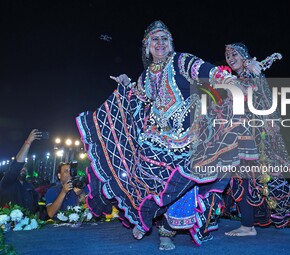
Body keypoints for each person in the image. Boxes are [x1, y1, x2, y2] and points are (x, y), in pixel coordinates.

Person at [76, 20, 244, 250]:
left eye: (165, 39)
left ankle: (167, 231)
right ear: (146, 46)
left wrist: (228, 80)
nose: (160, 43)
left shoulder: (181, 60)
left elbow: (205, 70)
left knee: (181, 184)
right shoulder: (146, 75)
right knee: (144, 178)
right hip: (154, 138)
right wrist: (127, 85)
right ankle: (143, 216)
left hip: (186, 138)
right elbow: (140, 99)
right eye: (155, 39)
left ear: (171, 43)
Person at [222, 43, 290, 236]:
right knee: (241, 180)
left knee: (255, 179)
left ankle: (248, 225)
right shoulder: (235, 80)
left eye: (234, 54)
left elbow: (266, 99)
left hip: (256, 137)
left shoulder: (253, 72)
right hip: (238, 135)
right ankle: (248, 223)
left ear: (244, 56)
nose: (230, 58)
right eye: (227, 55)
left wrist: (257, 73)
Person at [0, 129, 41, 214]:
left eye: (25, 167)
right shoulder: (7, 182)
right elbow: (17, 164)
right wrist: (28, 142)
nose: (23, 168)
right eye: (21, 167)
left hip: (28, 225)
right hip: (10, 225)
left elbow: (36, 206)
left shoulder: (29, 186)